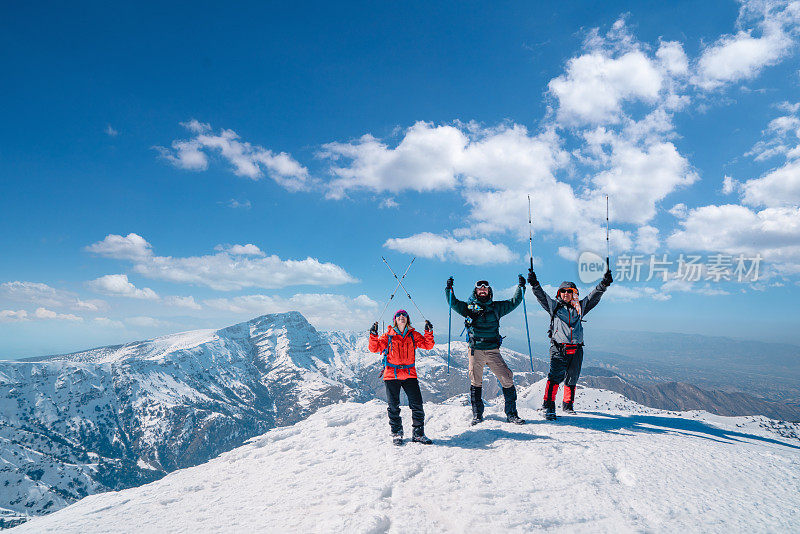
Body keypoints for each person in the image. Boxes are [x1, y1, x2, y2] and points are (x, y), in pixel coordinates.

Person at [527, 267, 613, 420]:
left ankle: (568, 405)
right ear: (559, 293)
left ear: (574, 293)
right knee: (554, 377)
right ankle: (548, 404)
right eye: (563, 291)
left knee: (572, 377)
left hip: (577, 348)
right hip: (559, 349)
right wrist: (534, 284)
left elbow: (593, 297)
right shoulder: (555, 306)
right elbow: (541, 296)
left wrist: (604, 284)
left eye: (569, 291)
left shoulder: (580, 307)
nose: (566, 294)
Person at [445, 276, 526, 425]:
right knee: (476, 381)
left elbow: (514, 302)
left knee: (507, 377)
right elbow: (453, 303)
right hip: (476, 350)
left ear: (489, 291)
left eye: (485, 288)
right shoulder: (468, 308)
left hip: (493, 350)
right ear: (475, 291)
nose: (482, 290)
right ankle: (477, 415)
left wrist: (520, 288)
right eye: (480, 288)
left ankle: (512, 414)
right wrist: (449, 290)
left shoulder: (496, 307)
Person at [369, 310, 435, 446]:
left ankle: (418, 434)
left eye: (404, 315)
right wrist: (373, 335)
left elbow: (428, 345)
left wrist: (428, 332)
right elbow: (374, 348)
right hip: (391, 374)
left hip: (409, 373)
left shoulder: (413, 335)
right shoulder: (388, 335)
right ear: (395, 320)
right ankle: (397, 433)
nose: (401, 317)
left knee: (417, 404)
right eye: (398, 316)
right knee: (393, 405)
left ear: (407, 319)